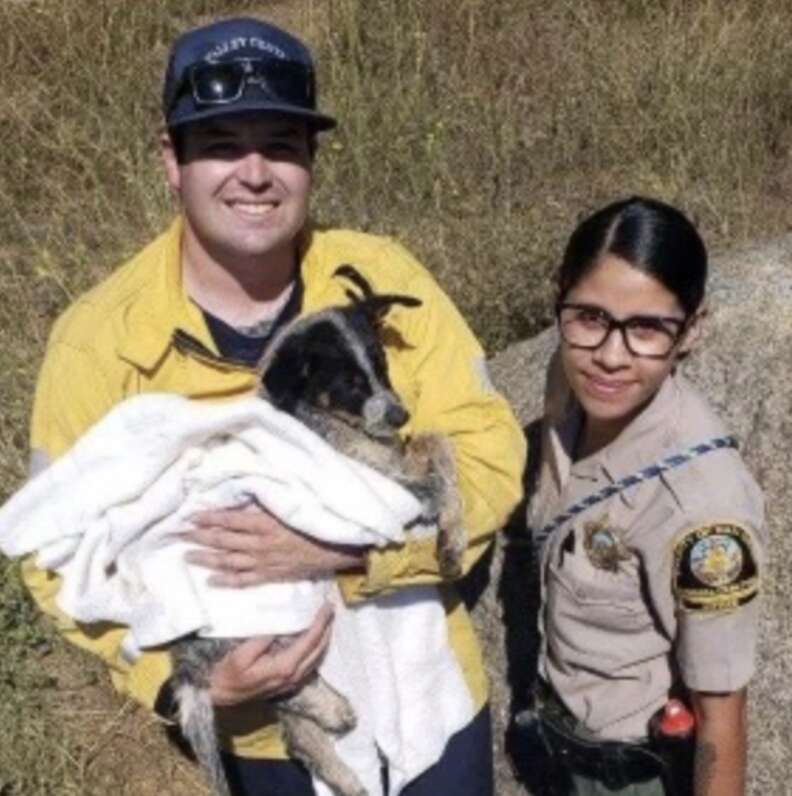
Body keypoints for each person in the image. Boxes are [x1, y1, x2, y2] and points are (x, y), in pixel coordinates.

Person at [21, 15, 526, 796]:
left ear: (311, 163)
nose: (254, 172)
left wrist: (351, 552)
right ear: (171, 160)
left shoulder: (385, 278)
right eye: (221, 142)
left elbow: (489, 450)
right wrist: (179, 683)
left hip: (431, 705)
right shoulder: (98, 340)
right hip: (263, 735)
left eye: (282, 146)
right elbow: (53, 557)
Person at [516, 196, 766, 796]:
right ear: (561, 298)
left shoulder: (702, 506)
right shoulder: (569, 380)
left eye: (648, 329)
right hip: (556, 734)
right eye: (590, 317)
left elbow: (721, 716)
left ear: (692, 331)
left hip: (629, 773)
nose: (610, 355)